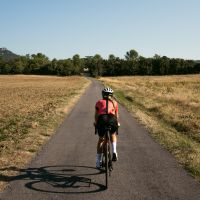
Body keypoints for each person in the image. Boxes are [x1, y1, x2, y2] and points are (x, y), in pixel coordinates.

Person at [94, 87, 120, 168]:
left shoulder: (98, 102)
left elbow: (96, 115)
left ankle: (98, 162)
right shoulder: (115, 103)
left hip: (102, 119)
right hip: (112, 119)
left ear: (103, 95)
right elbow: (116, 115)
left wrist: (96, 123)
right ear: (111, 95)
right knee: (113, 135)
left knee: (101, 140)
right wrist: (117, 123)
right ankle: (114, 151)